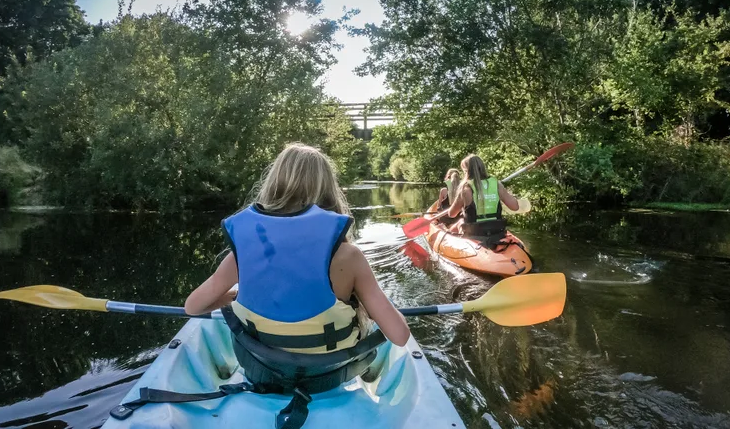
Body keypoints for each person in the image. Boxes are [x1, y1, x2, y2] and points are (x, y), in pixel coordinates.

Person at [185, 143, 410, 353]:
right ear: (328, 190)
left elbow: (193, 307)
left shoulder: (244, 252)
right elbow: (399, 336)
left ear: (273, 185)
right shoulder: (349, 257)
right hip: (328, 377)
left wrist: (234, 296)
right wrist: (366, 302)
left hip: (264, 373)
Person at [447, 154, 520, 237]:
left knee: (460, 222)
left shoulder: (466, 188)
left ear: (467, 171)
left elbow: (451, 214)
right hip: (496, 230)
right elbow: (515, 207)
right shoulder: (497, 184)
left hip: (475, 232)